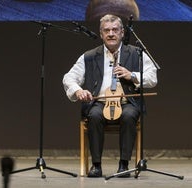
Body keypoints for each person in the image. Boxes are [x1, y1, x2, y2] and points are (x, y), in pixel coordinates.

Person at [63, 14, 157, 177]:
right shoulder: (90, 56)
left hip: (127, 101)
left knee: (129, 116)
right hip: (99, 102)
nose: (111, 34)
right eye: (106, 30)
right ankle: (96, 165)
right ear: (101, 34)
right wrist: (78, 90)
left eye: (115, 30)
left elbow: (152, 77)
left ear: (122, 32)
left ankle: (124, 164)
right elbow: (69, 77)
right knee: (94, 115)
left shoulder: (136, 53)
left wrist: (132, 75)